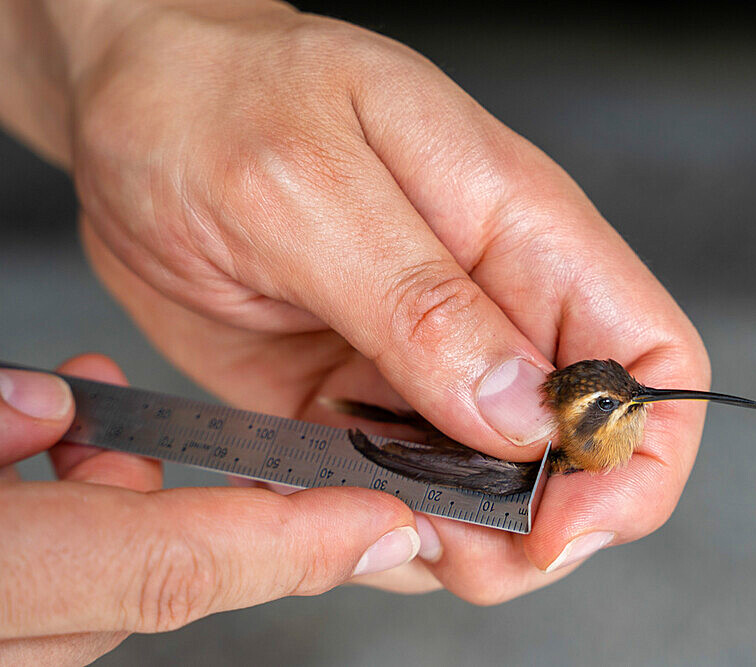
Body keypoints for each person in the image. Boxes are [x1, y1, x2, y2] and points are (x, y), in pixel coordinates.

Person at [0, 1, 711, 662]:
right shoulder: (541, 426)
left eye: (628, 402)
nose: (636, 406)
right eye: (615, 406)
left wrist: (112, 41)